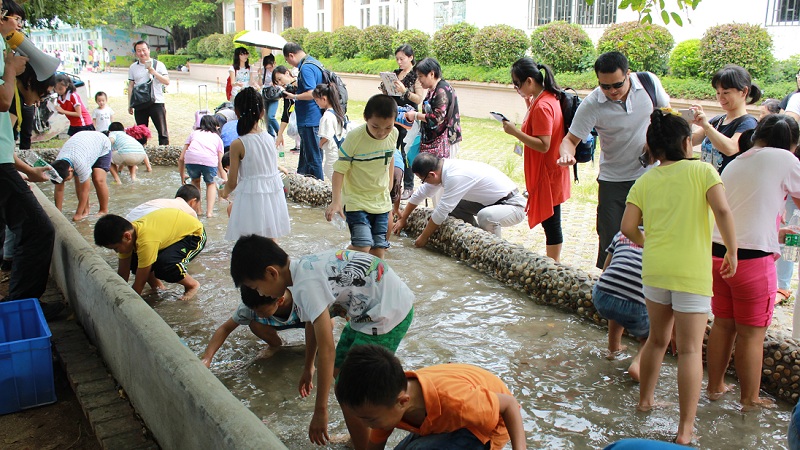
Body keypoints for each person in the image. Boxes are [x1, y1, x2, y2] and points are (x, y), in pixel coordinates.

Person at [620, 108, 737, 445]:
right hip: (691, 273)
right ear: (687, 142)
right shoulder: (703, 171)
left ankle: (645, 402)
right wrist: (731, 250)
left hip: (655, 270)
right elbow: (723, 211)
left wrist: (649, 241)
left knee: (657, 340)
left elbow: (627, 227)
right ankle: (685, 429)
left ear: (654, 149)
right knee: (687, 351)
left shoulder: (645, 180)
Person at [230, 235, 414, 448]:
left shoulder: (306, 285)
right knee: (340, 375)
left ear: (271, 273)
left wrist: (320, 411)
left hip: (387, 314)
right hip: (366, 312)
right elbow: (312, 326)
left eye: (255, 287)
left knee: (354, 387)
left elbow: (327, 349)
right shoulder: (300, 272)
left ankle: (365, 446)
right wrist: (309, 367)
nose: (259, 293)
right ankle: (360, 436)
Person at [705, 115, 800, 409]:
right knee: (751, 335)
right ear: (793, 144)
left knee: (723, 325)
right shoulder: (786, 159)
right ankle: (749, 399)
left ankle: (715, 387)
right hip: (752, 262)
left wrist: (775, 230)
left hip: (717, 255)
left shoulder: (738, 160)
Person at [557, 51, 670, 269]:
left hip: (652, 176)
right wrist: (567, 153)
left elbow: (668, 116)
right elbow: (570, 139)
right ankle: (609, 289)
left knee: (653, 239)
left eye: (617, 85)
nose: (612, 92)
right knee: (611, 242)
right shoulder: (592, 104)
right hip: (614, 182)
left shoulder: (648, 84)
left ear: (628, 74)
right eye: (605, 86)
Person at [335, 345, 527, 450]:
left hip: (484, 429)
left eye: (369, 420)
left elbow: (509, 405)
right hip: (446, 421)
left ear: (402, 402)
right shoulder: (388, 399)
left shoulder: (456, 401)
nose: (367, 426)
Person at [0, 3, 61, 318]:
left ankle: (20, 303)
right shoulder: (7, 64)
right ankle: (22, 306)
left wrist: (30, 172)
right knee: (38, 229)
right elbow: (2, 101)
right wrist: (10, 70)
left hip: (3, 165)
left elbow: (5, 147)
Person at [501, 57, 570, 262]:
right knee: (551, 220)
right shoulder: (545, 98)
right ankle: (553, 263)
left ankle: (553, 266)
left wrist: (514, 132)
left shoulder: (542, 106)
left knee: (551, 222)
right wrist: (529, 103)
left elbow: (544, 144)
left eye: (517, 84)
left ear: (529, 81)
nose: (516, 88)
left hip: (547, 173)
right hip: (550, 171)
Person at [393, 152, 526, 247]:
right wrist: (403, 218)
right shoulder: (442, 168)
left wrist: (423, 238)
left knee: (485, 216)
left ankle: (494, 248)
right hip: (490, 203)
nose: (424, 183)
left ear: (432, 174)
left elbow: (441, 212)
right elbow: (420, 194)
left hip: (513, 205)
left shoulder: (453, 176)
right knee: (456, 206)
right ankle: (475, 238)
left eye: (423, 180)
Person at [325, 94, 397, 259]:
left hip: (381, 200)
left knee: (379, 250)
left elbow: (391, 155)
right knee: (363, 245)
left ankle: (370, 282)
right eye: (375, 126)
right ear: (366, 118)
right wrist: (336, 201)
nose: (381, 132)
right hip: (356, 200)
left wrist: (390, 183)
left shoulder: (394, 134)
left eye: (388, 127)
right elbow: (339, 170)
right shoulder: (354, 138)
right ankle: (331, 262)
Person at [222, 87, 290, 240]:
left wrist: (223, 192)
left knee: (250, 241)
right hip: (272, 194)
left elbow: (232, 183)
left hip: (251, 196)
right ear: (262, 112)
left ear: (237, 113)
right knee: (270, 238)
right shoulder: (268, 137)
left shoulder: (238, 144)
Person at [94, 210, 206, 301]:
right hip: (168, 234)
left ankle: (192, 285)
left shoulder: (146, 241)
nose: (117, 252)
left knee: (165, 265)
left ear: (127, 236)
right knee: (135, 260)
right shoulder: (129, 236)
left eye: (116, 248)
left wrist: (130, 301)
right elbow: (123, 274)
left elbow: (140, 282)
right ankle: (157, 287)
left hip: (193, 234)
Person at [200, 285, 304, 368]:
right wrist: (207, 358)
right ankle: (275, 345)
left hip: (305, 320)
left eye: (261, 311)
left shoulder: (303, 298)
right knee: (254, 322)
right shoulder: (249, 308)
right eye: (254, 310)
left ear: (280, 301)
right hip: (272, 323)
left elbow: (318, 324)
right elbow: (225, 329)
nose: (258, 314)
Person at [593, 229, 647, 381]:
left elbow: (606, 267)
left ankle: (613, 348)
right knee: (655, 335)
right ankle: (638, 364)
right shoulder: (664, 242)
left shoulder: (622, 234)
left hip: (603, 294)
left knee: (618, 296)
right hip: (636, 305)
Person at [691, 64, 760, 173]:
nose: (721, 98)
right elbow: (689, 142)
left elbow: (731, 148)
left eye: (726, 93)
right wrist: (689, 122)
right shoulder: (716, 121)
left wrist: (706, 126)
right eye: (718, 93)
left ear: (744, 91)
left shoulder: (748, 123)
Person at [380, 44, 425, 200]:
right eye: (397, 59)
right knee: (390, 147)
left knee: (406, 152)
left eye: (402, 59)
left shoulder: (417, 76)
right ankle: (392, 182)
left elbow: (419, 98)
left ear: (411, 57)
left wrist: (404, 91)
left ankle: (408, 186)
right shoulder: (396, 74)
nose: (399, 62)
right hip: (393, 115)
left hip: (408, 117)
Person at [403, 57, 461, 159]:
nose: (419, 80)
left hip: (444, 142)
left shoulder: (442, 90)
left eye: (420, 76)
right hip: (434, 141)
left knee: (438, 173)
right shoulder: (433, 89)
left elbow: (436, 118)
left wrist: (416, 115)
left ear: (432, 74)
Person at [282, 42, 325, 180]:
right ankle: (304, 186)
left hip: (310, 119)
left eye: (287, 60)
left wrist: (294, 96)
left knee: (313, 158)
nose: (289, 63)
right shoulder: (314, 63)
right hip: (312, 118)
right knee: (308, 158)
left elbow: (311, 93)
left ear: (291, 55)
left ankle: (319, 189)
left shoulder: (306, 68)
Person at [51, 131, 112, 222]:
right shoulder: (58, 164)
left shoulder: (80, 164)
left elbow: (85, 190)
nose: (66, 182)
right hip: (83, 146)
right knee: (79, 180)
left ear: (70, 170)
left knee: (98, 179)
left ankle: (103, 210)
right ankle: (85, 210)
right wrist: (58, 214)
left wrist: (78, 215)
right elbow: (59, 189)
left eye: (66, 180)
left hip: (101, 144)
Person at [179, 115, 226, 218]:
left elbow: (181, 158)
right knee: (211, 184)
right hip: (209, 161)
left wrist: (182, 175)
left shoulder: (193, 134)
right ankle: (209, 213)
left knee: (195, 181)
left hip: (191, 159)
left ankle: (198, 211)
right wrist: (224, 184)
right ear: (215, 126)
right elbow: (220, 163)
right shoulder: (217, 138)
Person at [128, 40, 170, 145]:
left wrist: (153, 72)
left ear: (149, 50)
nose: (142, 53)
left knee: (162, 131)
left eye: (144, 50)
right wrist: (130, 104)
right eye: (138, 51)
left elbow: (167, 81)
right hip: (139, 103)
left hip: (156, 102)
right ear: (136, 53)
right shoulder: (133, 67)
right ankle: (142, 153)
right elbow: (131, 86)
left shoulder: (158, 64)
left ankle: (164, 152)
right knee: (140, 132)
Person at [313, 83, 347, 181]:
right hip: (340, 149)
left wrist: (320, 144)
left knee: (330, 171)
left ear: (324, 99)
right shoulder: (338, 111)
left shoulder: (327, 116)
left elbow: (326, 136)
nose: (316, 103)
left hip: (332, 151)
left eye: (316, 100)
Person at [126, 184, 201, 222]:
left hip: (129, 220)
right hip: (148, 221)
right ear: (193, 201)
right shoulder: (189, 211)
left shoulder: (166, 201)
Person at [272, 65, 299, 152]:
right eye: (277, 82)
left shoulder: (302, 83)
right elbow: (286, 113)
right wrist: (280, 134)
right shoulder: (289, 90)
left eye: (280, 79)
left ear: (287, 73)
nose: (280, 83)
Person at [259, 54, 280, 137]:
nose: (269, 69)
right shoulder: (264, 71)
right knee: (267, 118)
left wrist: (275, 82)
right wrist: (260, 75)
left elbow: (282, 83)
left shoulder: (278, 71)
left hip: (274, 96)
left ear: (274, 63)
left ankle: (279, 133)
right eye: (267, 68)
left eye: (270, 67)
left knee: (271, 116)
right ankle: (271, 136)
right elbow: (261, 83)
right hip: (265, 95)